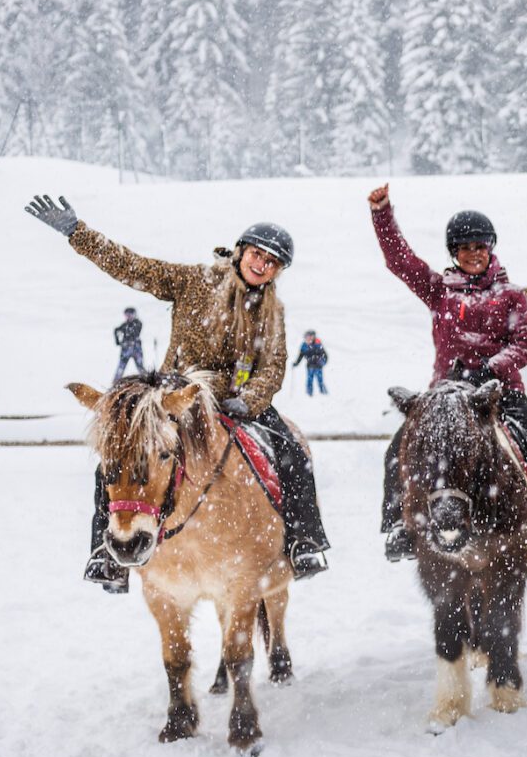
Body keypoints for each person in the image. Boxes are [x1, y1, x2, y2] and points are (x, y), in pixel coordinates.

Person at [25, 194, 330, 591]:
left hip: (237, 403)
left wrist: (249, 400)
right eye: (257, 254)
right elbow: (132, 267)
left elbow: (273, 366)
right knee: (119, 453)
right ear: (240, 252)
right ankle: (106, 553)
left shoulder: (273, 311)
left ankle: (304, 540)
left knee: (292, 453)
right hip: (172, 398)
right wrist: (77, 233)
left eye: (272, 262)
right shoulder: (194, 281)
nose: (262, 265)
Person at [368, 184, 527, 559]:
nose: (473, 254)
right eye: (464, 247)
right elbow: (400, 261)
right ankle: (398, 523)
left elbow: (525, 345)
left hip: (500, 392)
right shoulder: (440, 291)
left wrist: (490, 368)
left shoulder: (511, 295)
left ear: (490, 248)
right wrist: (382, 214)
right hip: (445, 397)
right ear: (454, 253)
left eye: (480, 246)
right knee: (398, 448)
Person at [112, 307, 146, 383]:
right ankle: (115, 383)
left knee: (140, 367)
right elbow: (116, 330)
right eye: (127, 315)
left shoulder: (137, 323)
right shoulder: (125, 325)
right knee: (121, 368)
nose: (128, 317)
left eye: (130, 315)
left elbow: (134, 332)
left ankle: (147, 381)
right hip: (126, 349)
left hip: (136, 348)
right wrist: (118, 341)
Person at [293, 330, 328, 396]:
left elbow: (325, 356)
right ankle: (309, 394)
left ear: (313, 337)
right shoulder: (304, 346)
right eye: (307, 337)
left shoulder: (318, 344)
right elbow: (300, 356)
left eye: (310, 337)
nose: (309, 339)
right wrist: (296, 363)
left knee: (320, 380)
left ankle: (323, 393)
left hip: (318, 366)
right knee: (309, 380)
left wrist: (323, 362)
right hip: (310, 366)